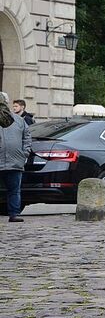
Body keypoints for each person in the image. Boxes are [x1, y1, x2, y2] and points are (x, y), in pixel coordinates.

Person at [0, 92, 31, 223]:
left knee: (14, 190)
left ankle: (14, 214)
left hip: (15, 161)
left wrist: (25, 153)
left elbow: (27, 137)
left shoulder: (19, 120)